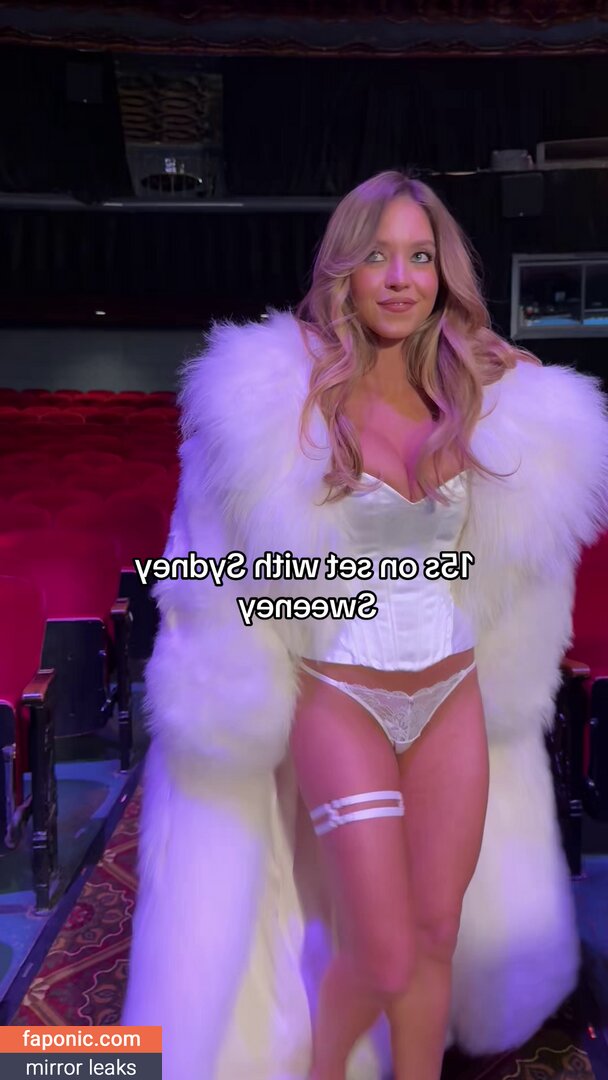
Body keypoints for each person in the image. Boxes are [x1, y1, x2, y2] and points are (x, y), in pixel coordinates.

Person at [122, 170, 608, 1080]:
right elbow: (220, 578)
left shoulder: (482, 392)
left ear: (443, 272)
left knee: (435, 933)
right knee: (383, 955)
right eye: (377, 255)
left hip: (451, 693)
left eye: (420, 257)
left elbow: (518, 548)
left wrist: (513, 374)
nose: (399, 277)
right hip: (341, 699)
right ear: (343, 268)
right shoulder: (283, 397)